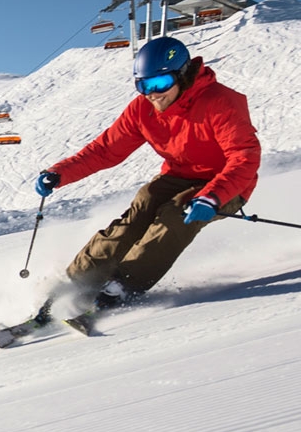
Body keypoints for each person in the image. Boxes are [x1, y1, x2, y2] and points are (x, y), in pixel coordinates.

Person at [31, 36, 260, 313]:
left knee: (175, 216)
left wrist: (213, 197)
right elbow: (105, 150)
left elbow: (244, 157)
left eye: (159, 84)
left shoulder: (221, 102)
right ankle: (76, 280)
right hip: (178, 175)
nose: (153, 94)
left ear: (183, 74)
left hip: (227, 182)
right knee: (143, 204)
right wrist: (59, 173)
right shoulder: (143, 110)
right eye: (144, 86)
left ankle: (121, 285)